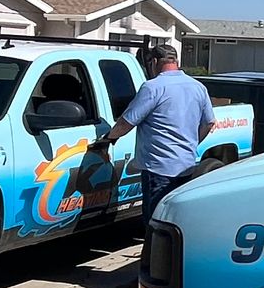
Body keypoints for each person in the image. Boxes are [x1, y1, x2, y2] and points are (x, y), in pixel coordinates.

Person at [89, 43, 213, 228]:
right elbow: (209, 122)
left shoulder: (153, 87)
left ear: (154, 62)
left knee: (156, 223)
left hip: (159, 168)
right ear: (176, 61)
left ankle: (154, 256)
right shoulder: (197, 87)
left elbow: (127, 121)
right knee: (176, 221)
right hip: (186, 165)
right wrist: (191, 143)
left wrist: (108, 139)